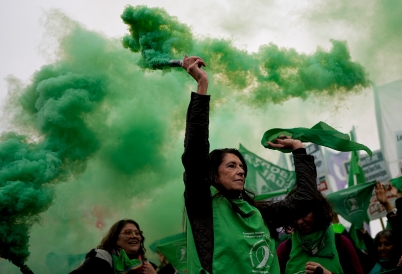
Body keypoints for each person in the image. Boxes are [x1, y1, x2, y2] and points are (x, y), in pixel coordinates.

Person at [181, 55, 325, 273]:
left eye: (241, 167)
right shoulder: (203, 204)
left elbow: (306, 198)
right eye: (231, 166)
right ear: (213, 175)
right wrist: (202, 85)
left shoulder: (258, 214)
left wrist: (298, 149)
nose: (240, 171)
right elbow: (195, 151)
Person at [276, 189, 364, 274]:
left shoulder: (341, 243)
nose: (300, 221)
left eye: (304, 213)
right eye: (295, 215)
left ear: (317, 210)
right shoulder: (284, 249)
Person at [70, 219, 157, 274]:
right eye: (128, 232)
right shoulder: (102, 258)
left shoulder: (147, 266)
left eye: (137, 233)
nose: (134, 236)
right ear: (116, 238)